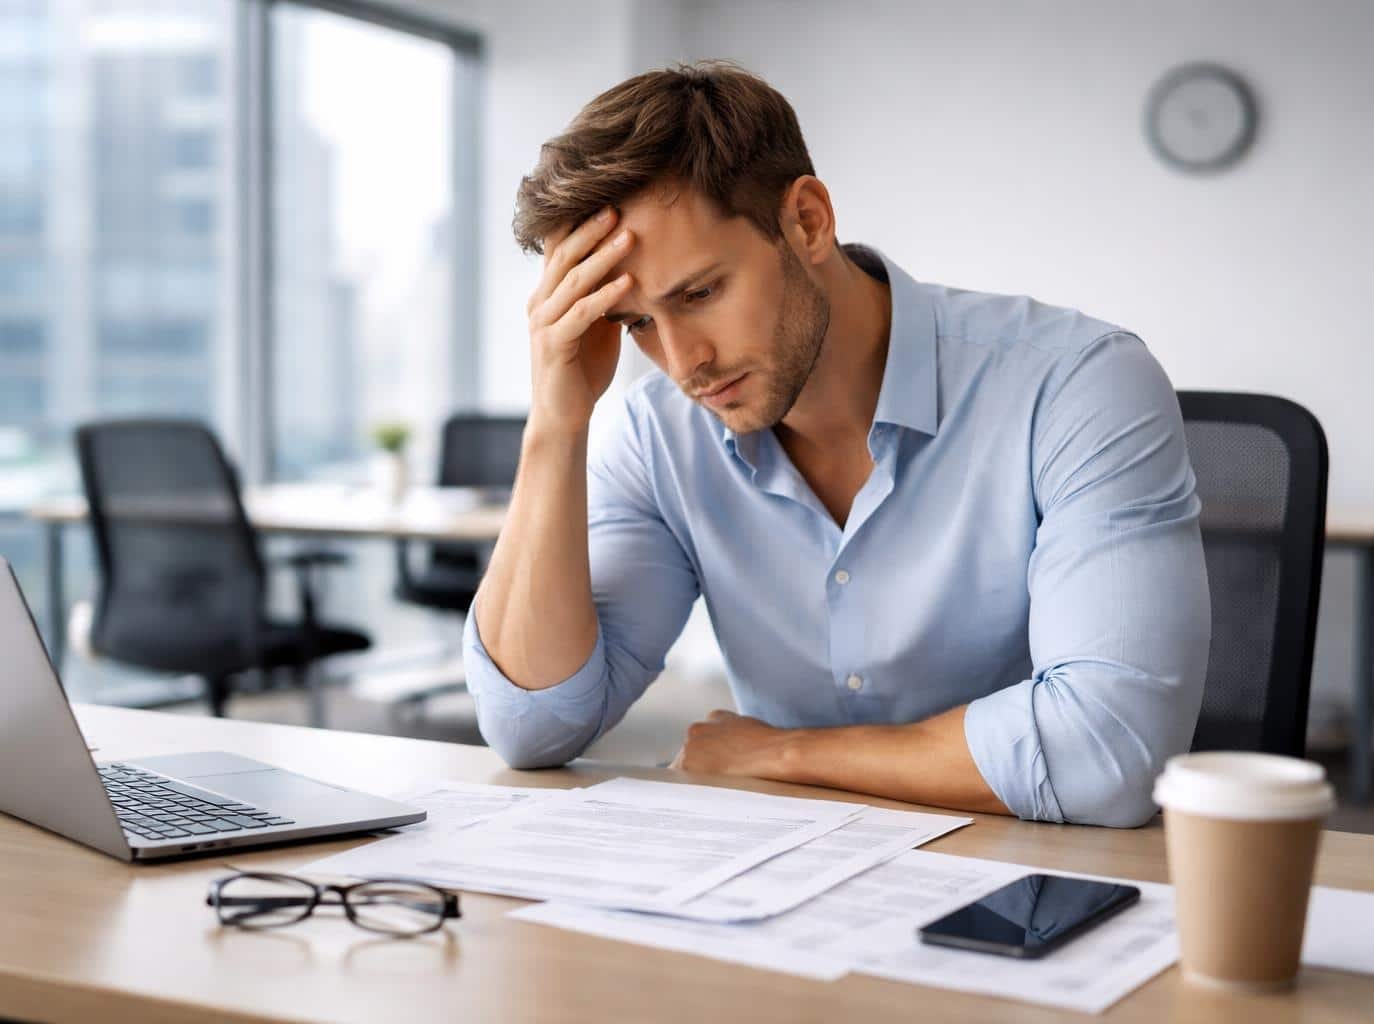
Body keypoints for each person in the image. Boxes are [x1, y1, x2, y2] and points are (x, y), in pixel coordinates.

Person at [463, 61, 1209, 828]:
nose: (684, 363)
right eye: (636, 323)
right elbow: (532, 726)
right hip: (782, 888)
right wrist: (557, 422)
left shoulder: (1077, 385)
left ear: (808, 222)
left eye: (699, 294)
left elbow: (1107, 755)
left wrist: (781, 753)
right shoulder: (657, 433)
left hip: (1037, 874)